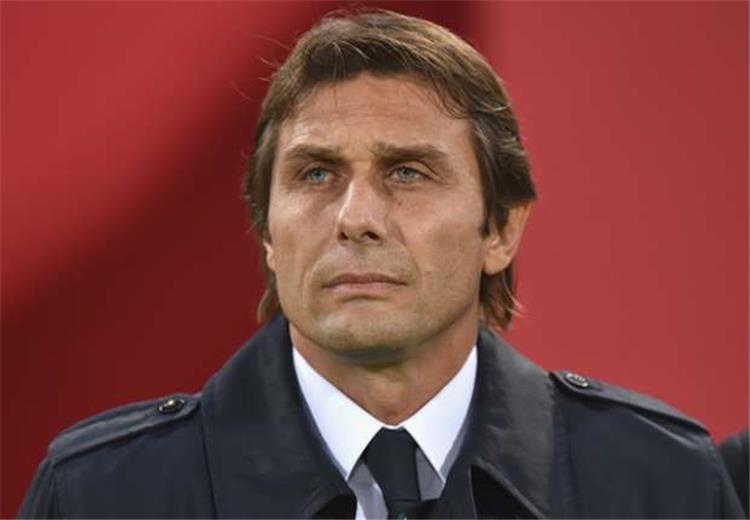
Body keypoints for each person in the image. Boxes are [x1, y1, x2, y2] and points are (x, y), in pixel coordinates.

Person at [19, 9, 744, 519]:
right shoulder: (101, 496)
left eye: (407, 172)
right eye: (315, 174)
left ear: (501, 228)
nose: (356, 217)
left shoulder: (661, 484)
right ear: (267, 233)